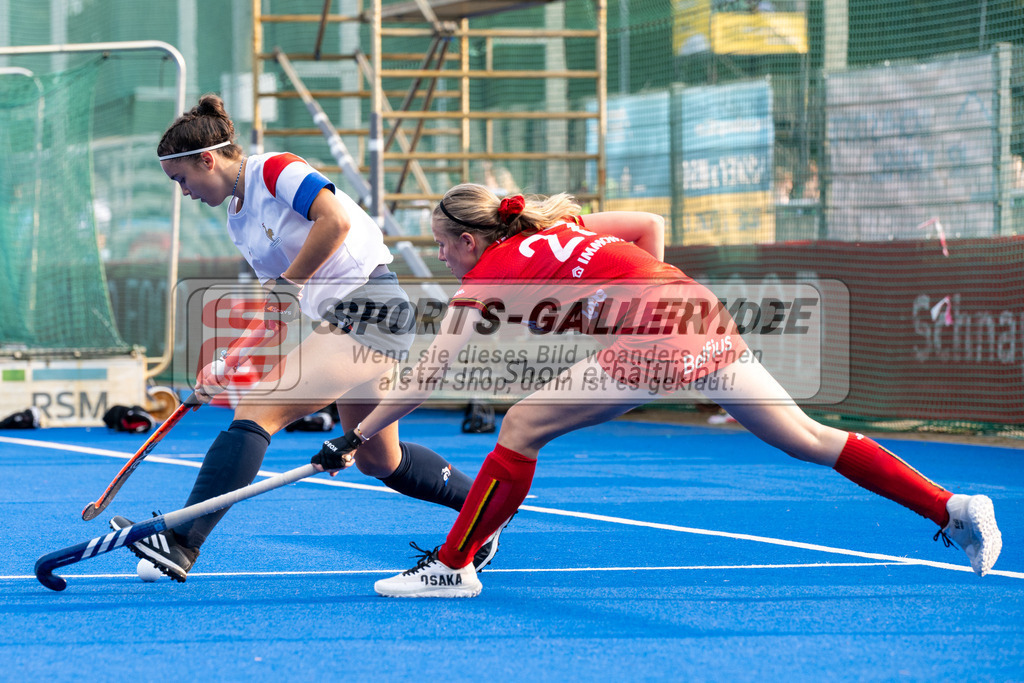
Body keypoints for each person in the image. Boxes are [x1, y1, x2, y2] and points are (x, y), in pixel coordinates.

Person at [311, 183, 1003, 598]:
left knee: (522, 424)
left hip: (660, 336)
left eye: (440, 243)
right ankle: (953, 504)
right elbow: (643, 228)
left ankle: (455, 563)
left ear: (469, 240)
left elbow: (431, 373)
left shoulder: (483, 280)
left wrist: (357, 433)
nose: (439, 255)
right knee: (810, 438)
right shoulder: (558, 232)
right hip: (697, 309)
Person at [109, 95, 504, 582]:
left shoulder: (275, 170)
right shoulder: (238, 220)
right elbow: (278, 306)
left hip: (371, 310)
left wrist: (292, 283)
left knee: (258, 410)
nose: (184, 192)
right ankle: (483, 515)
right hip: (341, 321)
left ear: (207, 159)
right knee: (381, 460)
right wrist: (226, 363)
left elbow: (333, 221)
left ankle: (182, 540)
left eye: (182, 180)